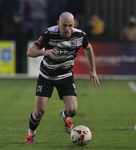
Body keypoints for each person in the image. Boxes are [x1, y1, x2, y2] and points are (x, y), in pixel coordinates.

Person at [25, 12, 100, 144]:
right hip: (46, 76)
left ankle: (64, 115)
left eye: (70, 26)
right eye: (64, 25)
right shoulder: (49, 34)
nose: (67, 29)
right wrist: (44, 52)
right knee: (39, 112)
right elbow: (30, 52)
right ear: (58, 23)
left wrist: (93, 70)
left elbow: (88, 48)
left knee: (73, 110)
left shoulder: (80, 35)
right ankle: (30, 135)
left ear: (74, 24)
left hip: (65, 76)